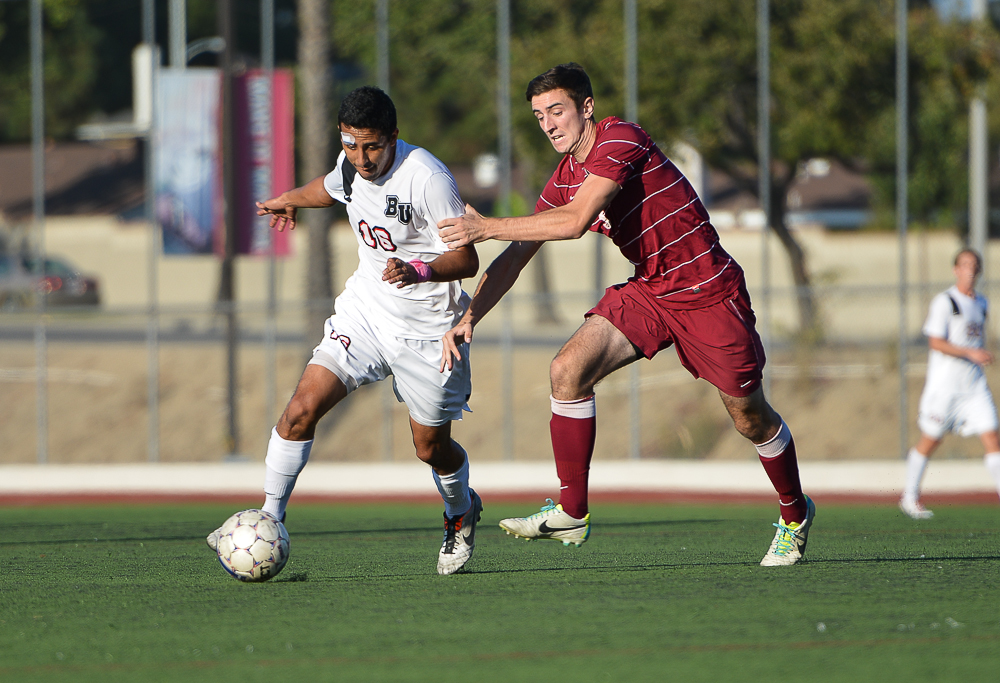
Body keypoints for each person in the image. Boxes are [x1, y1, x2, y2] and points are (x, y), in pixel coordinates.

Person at [439, 63, 813, 566]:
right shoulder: (565, 174)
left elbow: (572, 224)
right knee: (567, 370)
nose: (548, 124)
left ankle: (795, 515)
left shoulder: (621, 138)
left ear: (586, 108)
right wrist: (470, 316)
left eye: (557, 110)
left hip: (707, 290)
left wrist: (485, 227)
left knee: (749, 418)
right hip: (651, 289)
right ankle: (572, 514)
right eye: (538, 116)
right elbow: (515, 254)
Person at [207, 86, 482, 575]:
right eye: (351, 144)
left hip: (428, 331)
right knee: (300, 410)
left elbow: (467, 256)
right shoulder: (351, 164)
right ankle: (269, 517)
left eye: (372, 145)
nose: (362, 157)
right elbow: (332, 186)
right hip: (366, 311)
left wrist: (418, 270)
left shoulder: (427, 178)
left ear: (393, 136)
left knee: (429, 448)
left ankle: (461, 511)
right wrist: (290, 199)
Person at [902, 248, 1000, 519]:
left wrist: (978, 355)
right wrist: (971, 353)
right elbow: (935, 342)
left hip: (974, 387)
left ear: (979, 271)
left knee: (992, 435)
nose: (970, 270)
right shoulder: (946, 302)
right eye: (965, 264)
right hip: (945, 388)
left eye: (974, 265)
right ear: (956, 269)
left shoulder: (982, 303)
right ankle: (909, 497)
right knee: (931, 439)